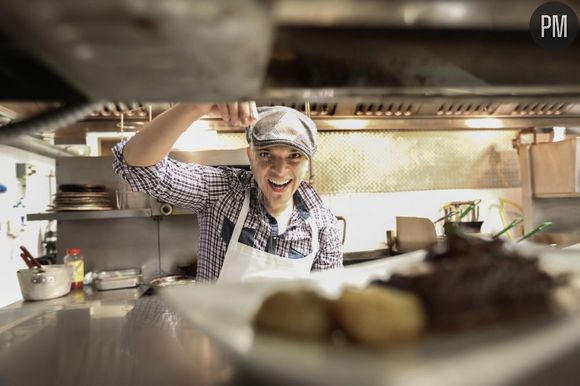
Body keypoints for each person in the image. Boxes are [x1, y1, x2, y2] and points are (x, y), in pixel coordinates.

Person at [112, 102, 343, 282]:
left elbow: (328, 301)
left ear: (307, 162)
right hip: (213, 342)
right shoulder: (221, 192)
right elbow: (138, 169)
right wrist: (196, 106)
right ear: (250, 156)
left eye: (294, 156)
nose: (280, 170)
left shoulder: (323, 225)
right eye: (265, 154)